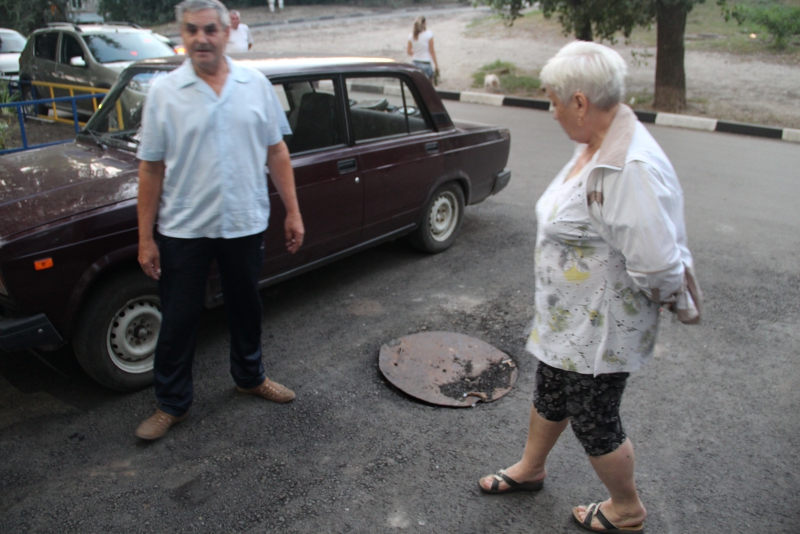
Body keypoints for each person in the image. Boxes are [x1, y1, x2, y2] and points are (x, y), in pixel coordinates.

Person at [477, 41, 701, 533]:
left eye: (554, 101)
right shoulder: (596, 142)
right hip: (569, 319)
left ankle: (627, 509)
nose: (551, 111)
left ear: (580, 102)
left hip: (601, 331)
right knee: (551, 391)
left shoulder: (626, 167)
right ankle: (531, 468)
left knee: (594, 418)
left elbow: (658, 264)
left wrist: (661, 302)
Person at [135, 0, 305, 441]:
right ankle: (172, 404)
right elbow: (150, 168)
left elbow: (276, 151)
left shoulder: (255, 85)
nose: (201, 38)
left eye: (209, 29)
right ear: (182, 35)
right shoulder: (164, 92)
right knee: (178, 318)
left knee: (247, 308)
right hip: (184, 229)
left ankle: (250, 377)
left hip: (244, 223)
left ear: (228, 31)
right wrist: (145, 238)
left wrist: (293, 211)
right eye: (191, 30)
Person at [406, 16, 438, 81]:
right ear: (424, 23)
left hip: (415, 63)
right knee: (428, 85)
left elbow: (409, 52)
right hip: (425, 63)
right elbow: (432, 51)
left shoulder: (411, 36)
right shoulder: (428, 34)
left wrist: (417, 53)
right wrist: (436, 65)